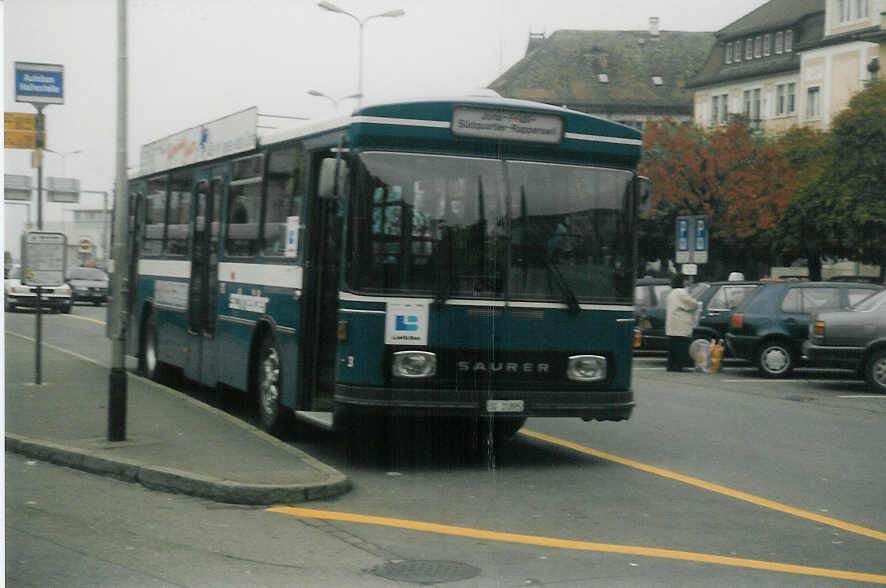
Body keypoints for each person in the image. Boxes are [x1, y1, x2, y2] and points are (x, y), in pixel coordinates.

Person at [665, 274, 700, 372]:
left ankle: (671, 366)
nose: (687, 282)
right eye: (685, 280)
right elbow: (692, 304)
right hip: (680, 325)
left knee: (672, 348)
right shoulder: (681, 292)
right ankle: (679, 366)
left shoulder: (671, 293)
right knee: (681, 347)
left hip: (672, 325)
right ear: (681, 281)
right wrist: (697, 303)